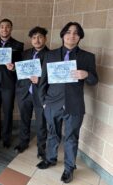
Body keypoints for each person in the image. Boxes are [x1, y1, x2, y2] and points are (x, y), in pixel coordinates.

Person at [36, 22, 98, 183]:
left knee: (71, 138)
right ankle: (50, 159)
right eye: (69, 32)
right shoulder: (50, 55)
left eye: (76, 33)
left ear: (80, 37)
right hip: (52, 103)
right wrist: (43, 102)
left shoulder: (87, 57)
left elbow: (94, 80)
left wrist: (86, 74)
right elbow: (43, 81)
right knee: (52, 134)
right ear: (63, 35)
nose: (72, 35)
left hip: (74, 105)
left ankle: (69, 168)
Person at [0, 18, 24, 148]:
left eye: (7, 27)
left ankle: (7, 137)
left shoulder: (18, 45)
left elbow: (21, 66)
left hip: (9, 83)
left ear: (11, 29)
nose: (4, 29)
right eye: (2, 27)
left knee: (8, 111)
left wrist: (13, 68)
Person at [14, 26, 49, 159]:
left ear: (45, 38)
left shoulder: (51, 55)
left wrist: (39, 80)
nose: (37, 40)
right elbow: (20, 71)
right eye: (34, 37)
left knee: (41, 122)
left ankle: (41, 148)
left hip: (41, 94)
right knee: (24, 119)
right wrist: (13, 69)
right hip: (24, 92)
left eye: (40, 37)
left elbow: (52, 76)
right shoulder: (25, 53)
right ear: (31, 39)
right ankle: (23, 142)